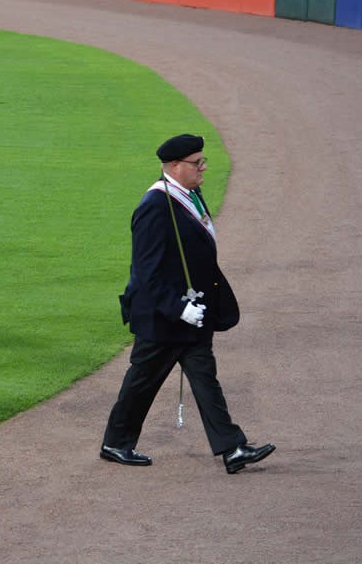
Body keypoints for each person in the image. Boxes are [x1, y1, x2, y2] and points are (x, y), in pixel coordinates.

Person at [101, 134, 275, 474]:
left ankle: (232, 448)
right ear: (176, 166)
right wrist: (179, 307)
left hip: (192, 316)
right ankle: (115, 443)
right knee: (143, 380)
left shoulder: (190, 195)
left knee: (205, 378)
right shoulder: (153, 207)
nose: (203, 167)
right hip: (163, 316)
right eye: (197, 163)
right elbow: (146, 273)